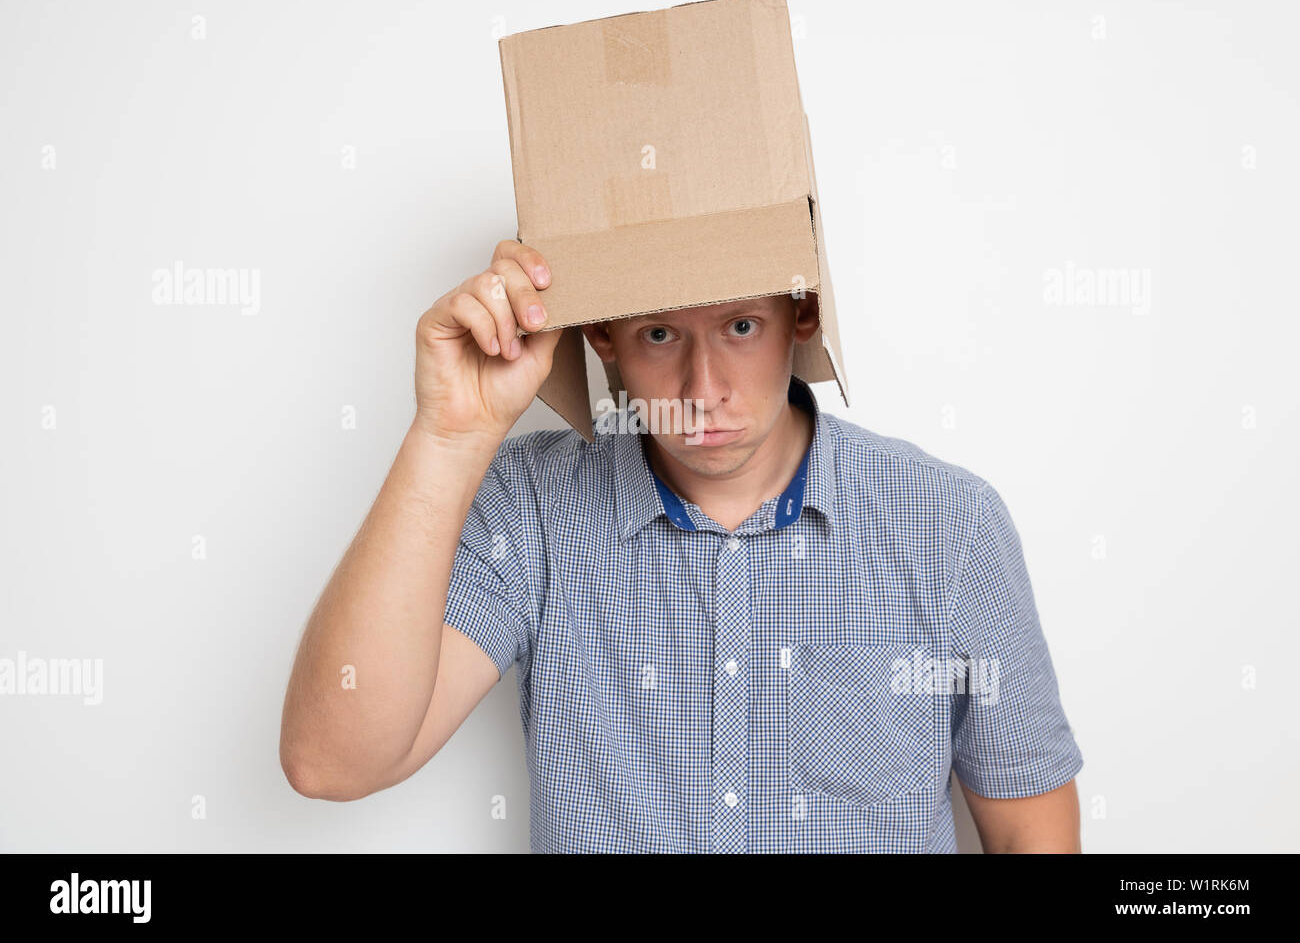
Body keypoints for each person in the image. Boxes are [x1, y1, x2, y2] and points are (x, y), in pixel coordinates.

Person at [279, 240, 1085, 853]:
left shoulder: (948, 525)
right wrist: (449, 437)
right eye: (660, 333)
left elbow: (1031, 832)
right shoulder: (531, 511)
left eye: (741, 325)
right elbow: (331, 762)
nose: (704, 390)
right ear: (601, 335)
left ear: (801, 316)